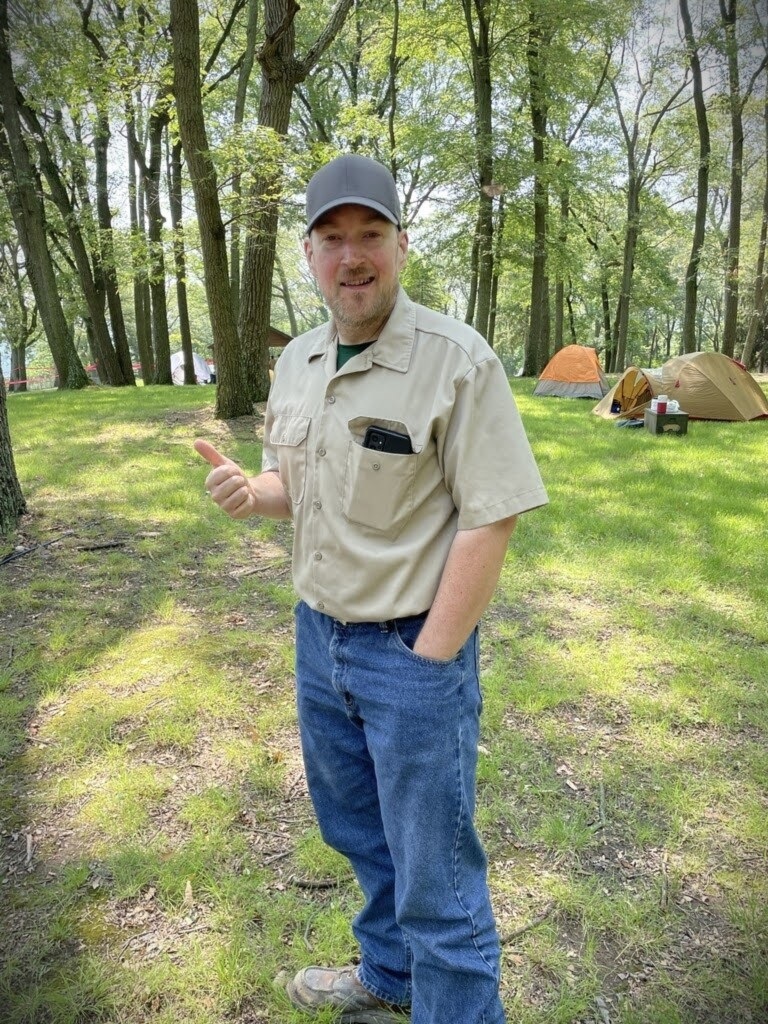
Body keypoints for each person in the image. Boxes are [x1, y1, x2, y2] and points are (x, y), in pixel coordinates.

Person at [195, 154, 548, 1024]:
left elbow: (491, 516)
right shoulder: (299, 360)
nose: (352, 256)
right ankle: (390, 976)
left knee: (437, 875)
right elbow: (295, 486)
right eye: (332, 238)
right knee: (357, 831)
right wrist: (251, 493)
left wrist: (432, 658)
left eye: (370, 235)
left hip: (411, 650)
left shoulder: (457, 361)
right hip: (320, 643)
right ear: (309, 255)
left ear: (400, 245)